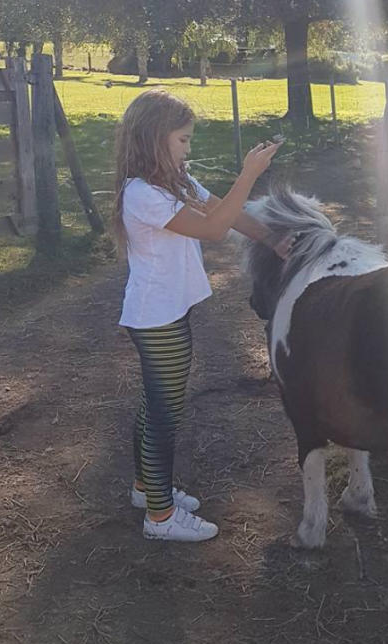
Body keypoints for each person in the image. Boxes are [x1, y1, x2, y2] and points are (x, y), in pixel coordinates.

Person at [113, 88, 293, 543]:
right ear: (155, 139)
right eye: (182, 140)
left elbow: (223, 213)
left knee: (157, 407)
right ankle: (160, 517)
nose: (188, 149)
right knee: (164, 414)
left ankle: (146, 489)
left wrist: (273, 240)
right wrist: (249, 175)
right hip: (156, 319)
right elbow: (213, 229)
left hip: (167, 311)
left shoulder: (173, 183)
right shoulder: (142, 195)